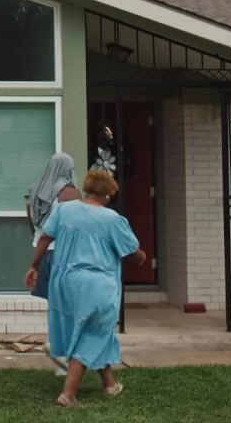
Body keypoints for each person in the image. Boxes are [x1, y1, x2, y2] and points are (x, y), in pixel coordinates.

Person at [25, 169, 147, 407]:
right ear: (107, 194)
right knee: (94, 332)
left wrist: (34, 266)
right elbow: (132, 252)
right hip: (97, 285)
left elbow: (45, 238)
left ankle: (109, 384)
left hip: (64, 281)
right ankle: (68, 394)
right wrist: (142, 257)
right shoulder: (111, 219)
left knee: (96, 331)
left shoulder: (64, 210)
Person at [26, 152, 80, 375]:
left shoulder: (36, 190)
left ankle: (58, 353)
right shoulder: (69, 192)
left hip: (42, 254)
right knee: (69, 308)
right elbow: (78, 224)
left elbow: (32, 223)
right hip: (63, 255)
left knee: (54, 308)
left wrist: (35, 263)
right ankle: (67, 360)